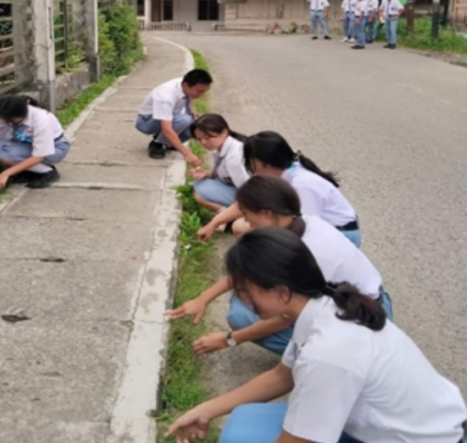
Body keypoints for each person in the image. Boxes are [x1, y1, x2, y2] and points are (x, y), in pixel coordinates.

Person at [165, 228, 467, 443]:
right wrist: (206, 409)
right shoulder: (325, 306)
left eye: (245, 290)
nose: (243, 300)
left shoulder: (329, 352)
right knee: (244, 426)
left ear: (282, 292)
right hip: (417, 425)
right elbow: (283, 376)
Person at [166, 175, 391, 357]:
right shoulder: (304, 223)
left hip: (363, 317)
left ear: (267, 213)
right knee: (245, 302)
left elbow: (287, 315)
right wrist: (202, 299)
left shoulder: (305, 252)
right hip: (363, 302)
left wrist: (229, 340)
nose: (246, 222)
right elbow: (246, 269)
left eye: (246, 215)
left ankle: (313, 359)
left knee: (242, 316)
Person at [197, 131, 362, 247]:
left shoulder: (302, 184)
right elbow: (245, 202)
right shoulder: (280, 173)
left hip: (341, 236)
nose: (249, 167)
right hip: (312, 227)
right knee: (241, 226)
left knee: (255, 230)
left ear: (260, 162)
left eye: (250, 162)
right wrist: (214, 223)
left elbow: (307, 230)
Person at [0, 95, 70, 190]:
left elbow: (39, 156)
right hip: (26, 144)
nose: (7, 123)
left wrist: (6, 173)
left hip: (55, 148)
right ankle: (28, 171)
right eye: (5, 120)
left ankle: (47, 172)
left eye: (11, 121)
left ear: (22, 115)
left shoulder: (41, 120)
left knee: (7, 155)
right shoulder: (5, 113)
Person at [135, 69, 212, 163]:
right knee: (184, 120)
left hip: (169, 115)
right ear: (185, 85)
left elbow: (190, 95)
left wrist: (192, 108)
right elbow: (166, 129)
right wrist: (187, 154)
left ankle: (170, 144)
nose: (201, 95)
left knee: (196, 124)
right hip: (147, 121)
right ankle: (157, 144)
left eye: (204, 92)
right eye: (199, 92)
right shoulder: (166, 96)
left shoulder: (185, 83)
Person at [190, 114, 250, 214]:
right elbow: (224, 173)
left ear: (224, 132)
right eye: (199, 139)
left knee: (200, 194)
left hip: (251, 196)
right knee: (198, 185)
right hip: (237, 187)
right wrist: (206, 173)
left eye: (207, 137)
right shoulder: (221, 147)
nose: (203, 142)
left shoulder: (234, 158)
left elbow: (248, 191)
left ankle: (230, 216)